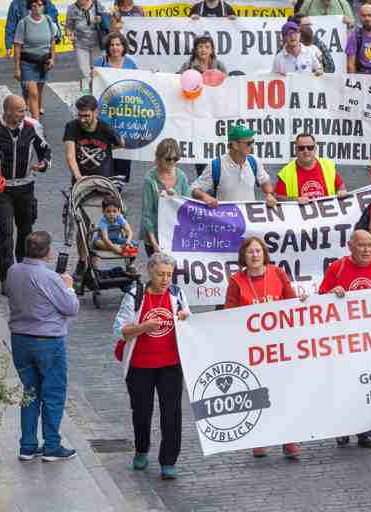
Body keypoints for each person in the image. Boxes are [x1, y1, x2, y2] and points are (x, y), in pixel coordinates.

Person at [221, 235, 302, 457]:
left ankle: (289, 438)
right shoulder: (236, 281)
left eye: (258, 251)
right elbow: (229, 313)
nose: (255, 255)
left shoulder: (278, 274)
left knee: (283, 391)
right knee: (258, 392)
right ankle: (261, 438)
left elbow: (291, 302)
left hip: (279, 345)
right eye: (250, 252)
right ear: (243, 257)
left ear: (264, 254)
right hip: (252, 348)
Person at [113, 253, 191, 480]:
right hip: (140, 365)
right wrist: (143, 326)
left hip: (170, 365)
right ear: (150, 272)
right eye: (160, 274)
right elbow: (120, 330)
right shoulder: (135, 295)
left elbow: (189, 324)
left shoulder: (177, 294)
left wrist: (185, 318)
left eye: (169, 274)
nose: (165, 279)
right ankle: (142, 448)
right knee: (141, 411)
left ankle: (168, 461)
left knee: (172, 414)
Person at [318, 229, 371, 448]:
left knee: (369, 386)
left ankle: (365, 432)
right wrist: (332, 292)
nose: (367, 250)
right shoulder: (337, 267)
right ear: (350, 246)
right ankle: (342, 429)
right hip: (345, 339)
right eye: (362, 245)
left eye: (370, 245)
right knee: (344, 387)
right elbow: (322, 297)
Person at [6, 231, 79, 462]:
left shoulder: (13, 271)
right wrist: (68, 286)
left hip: (20, 339)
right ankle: (52, 445)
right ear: (48, 253)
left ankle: (27, 446)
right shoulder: (50, 278)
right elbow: (71, 308)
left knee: (30, 392)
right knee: (53, 393)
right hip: (47, 341)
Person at [0, 95, 50, 283]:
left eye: (25, 110)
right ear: (8, 111)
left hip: (25, 187)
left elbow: (45, 150)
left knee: (25, 231)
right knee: (5, 232)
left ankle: (24, 272)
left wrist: (43, 164)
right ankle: (6, 277)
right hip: (3, 189)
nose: (24, 114)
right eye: (20, 110)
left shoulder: (32, 127)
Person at [191, 124, 277, 206]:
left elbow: (265, 181)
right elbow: (194, 189)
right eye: (249, 143)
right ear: (235, 145)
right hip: (226, 219)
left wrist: (269, 194)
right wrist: (205, 197)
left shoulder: (254, 161)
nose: (252, 146)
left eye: (253, 142)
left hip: (247, 219)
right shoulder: (216, 165)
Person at [141, 138, 191, 256]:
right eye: (168, 159)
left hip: (175, 235)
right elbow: (147, 214)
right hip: (155, 236)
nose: (172, 162)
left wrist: (176, 197)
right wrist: (154, 243)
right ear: (159, 158)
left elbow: (188, 204)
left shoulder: (181, 176)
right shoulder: (150, 179)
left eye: (175, 158)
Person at [12, 0, 58, 119]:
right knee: (33, 93)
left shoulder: (49, 21)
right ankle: (36, 124)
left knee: (39, 92)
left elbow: (52, 42)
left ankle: (35, 114)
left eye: (40, 5)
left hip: (43, 63)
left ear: (44, 6)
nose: (37, 8)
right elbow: (17, 46)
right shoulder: (23, 23)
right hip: (27, 63)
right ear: (29, 8)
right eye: (33, 6)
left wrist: (52, 59)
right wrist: (17, 68)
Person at [63, 95, 125, 186]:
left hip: (104, 181)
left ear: (96, 112)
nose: (82, 120)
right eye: (79, 115)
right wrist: (79, 178)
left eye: (86, 116)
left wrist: (106, 149)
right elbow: (70, 157)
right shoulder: (71, 127)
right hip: (81, 179)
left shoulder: (106, 128)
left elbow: (121, 143)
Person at [64, 0, 108, 93]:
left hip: (97, 43)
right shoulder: (72, 9)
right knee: (85, 71)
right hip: (81, 44)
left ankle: (97, 92)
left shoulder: (97, 4)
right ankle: (92, 91)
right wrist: (69, 33)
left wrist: (101, 19)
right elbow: (69, 26)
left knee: (97, 70)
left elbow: (108, 18)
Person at [275, 132, 344, 200]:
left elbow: (341, 188)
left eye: (310, 147)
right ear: (296, 150)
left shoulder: (328, 166)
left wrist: (341, 192)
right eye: (301, 148)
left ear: (315, 149)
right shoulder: (286, 173)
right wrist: (295, 200)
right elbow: (278, 197)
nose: (306, 151)